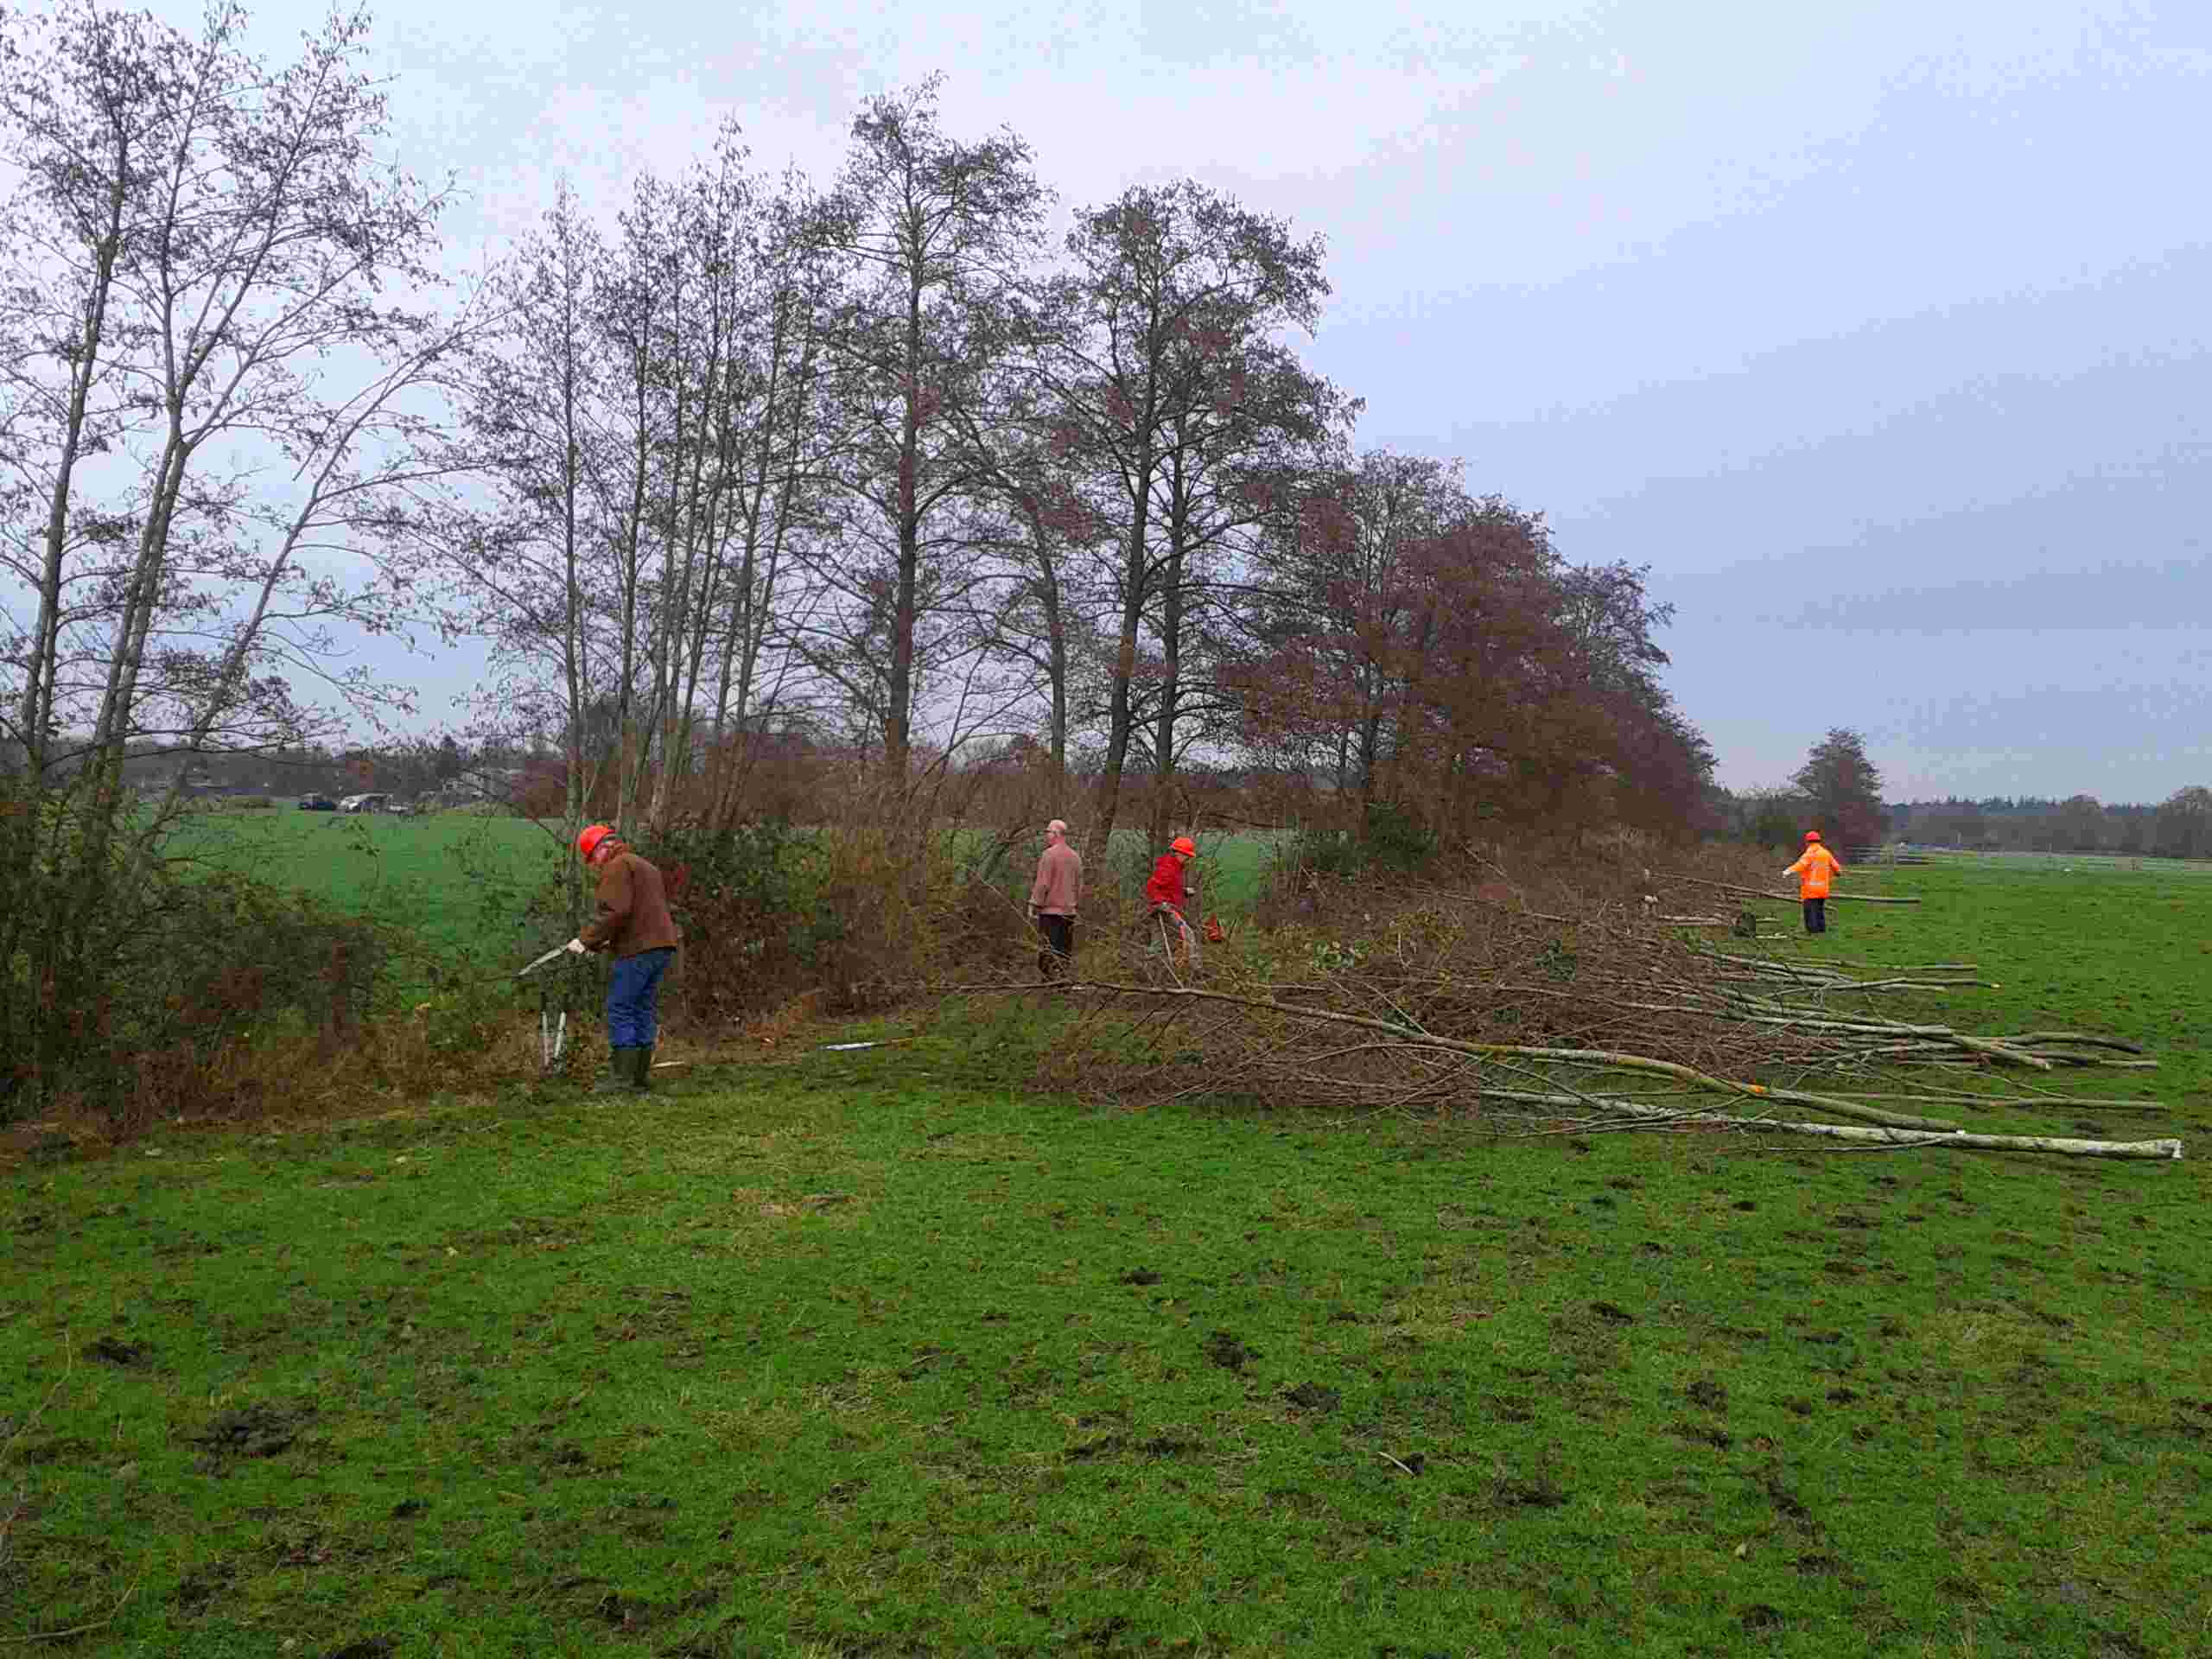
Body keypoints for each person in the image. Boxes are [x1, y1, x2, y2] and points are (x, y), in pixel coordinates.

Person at [565, 823, 682, 1092]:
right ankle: (639, 1076)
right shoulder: (644, 865)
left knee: (621, 1007)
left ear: (602, 848)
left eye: (592, 858)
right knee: (643, 1007)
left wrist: (585, 940)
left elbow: (615, 911)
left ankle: (622, 1079)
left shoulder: (617, 866)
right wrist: (605, 940)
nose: (594, 865)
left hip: (638, 949)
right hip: (661, 945)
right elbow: (636, 912)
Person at [1028, 818, 1083, 982]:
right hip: (1069, 912)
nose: (1046, 835)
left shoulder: (1048, 855)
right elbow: (1079, 886)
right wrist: (1074, 904)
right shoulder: (1075, 857)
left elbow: (1043, 883)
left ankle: (1048, 984)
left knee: (1048, 949)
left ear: (1056, 834)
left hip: (1051, 912)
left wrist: (1033, 903)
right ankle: (1062, 982)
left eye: (1048, 832)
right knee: (1064, 950)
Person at [1145, 835, 1200, 964]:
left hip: (1163, 907)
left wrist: (1184, 891)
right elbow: (1152, 886)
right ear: (1179, 853)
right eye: (1187, 856)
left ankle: (1150, 967)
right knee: (1188, 933)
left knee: (1158, 943)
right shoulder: (1168, 867)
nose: (1187, 859)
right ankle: (1194, 967)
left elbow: (1169, 888)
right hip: (1165, 908)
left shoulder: (1175, 867)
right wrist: (1160, 903)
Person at [1783, 830, 1844, 935]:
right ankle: (1821, 930)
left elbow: (1800, 865)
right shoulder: (1826, 853)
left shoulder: (1810, 853)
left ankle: (1812, 932)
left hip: (1810, 889)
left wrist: (1787, 871)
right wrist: (1836, 873)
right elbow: (1837, 868)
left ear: (1807, 842)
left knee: (1810, 912)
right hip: (1823, 889)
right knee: (1819, 911)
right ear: (1819, 841)